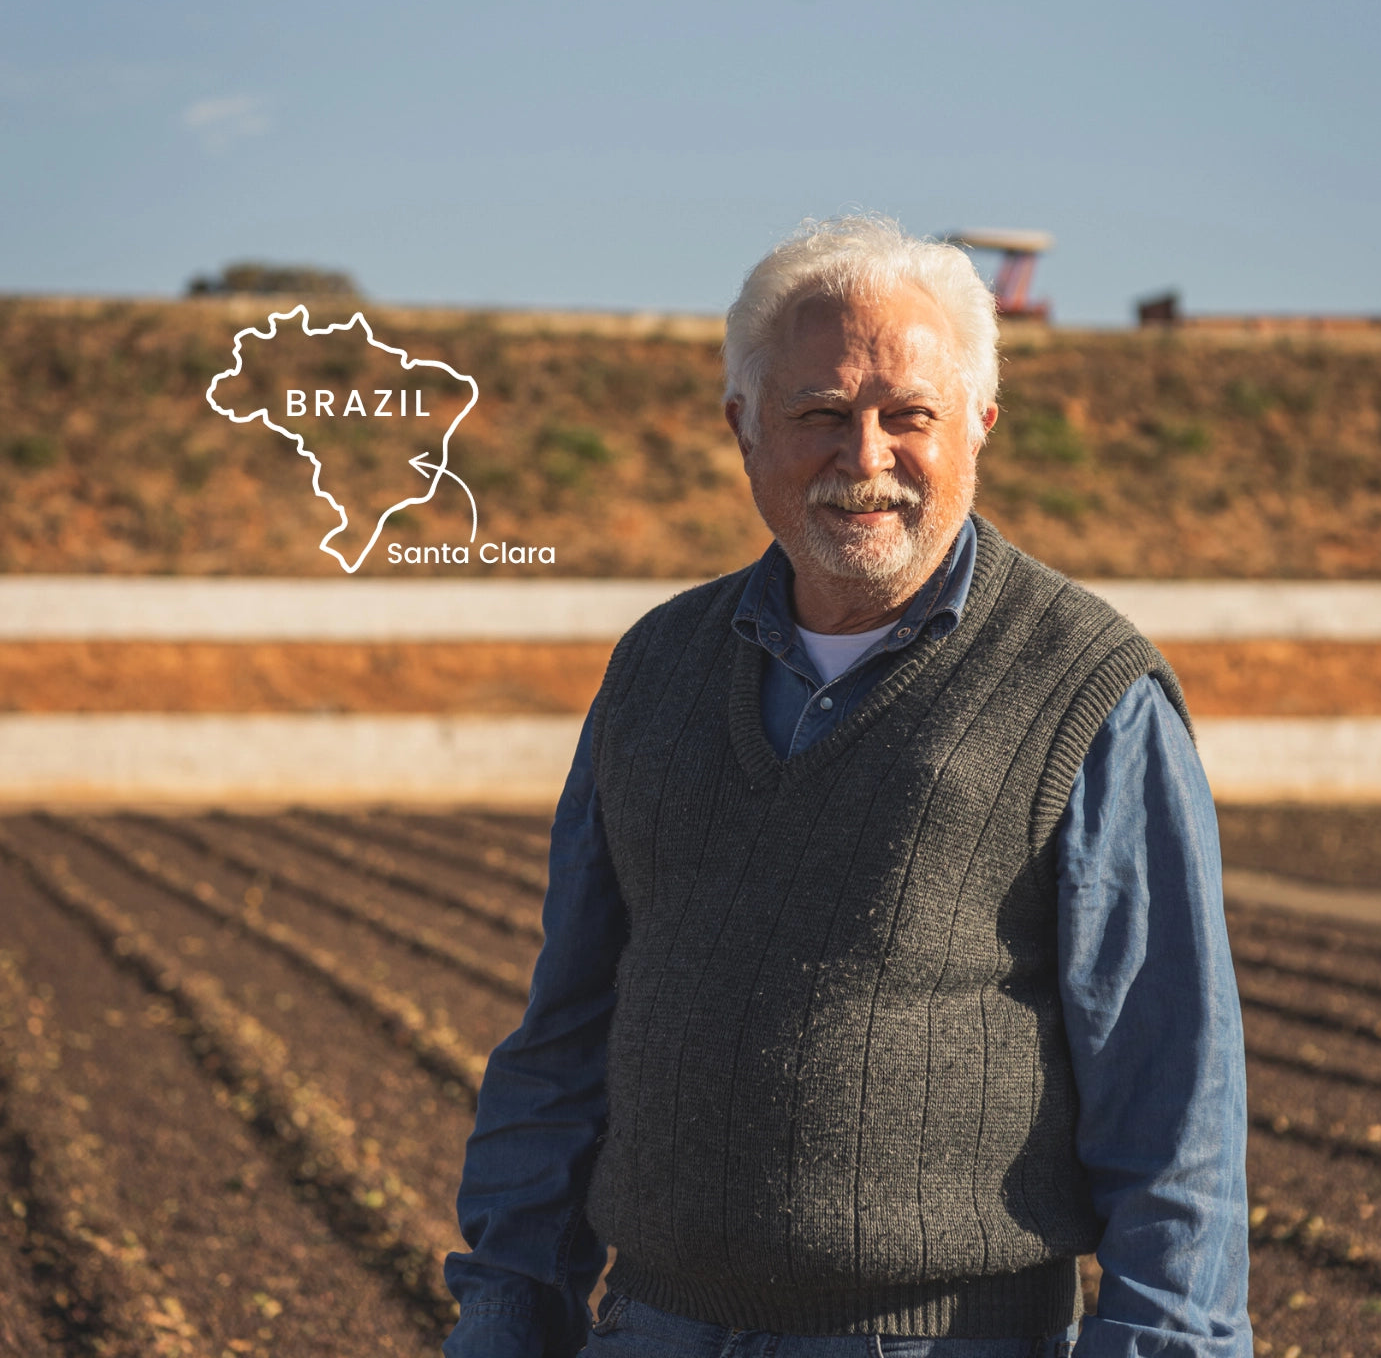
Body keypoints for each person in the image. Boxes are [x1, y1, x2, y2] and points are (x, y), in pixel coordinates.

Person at [442, 215, 1252, 1358]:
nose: (862, 455)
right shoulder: (654, 669)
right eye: (818, 413)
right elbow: (566, 1032)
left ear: (977, 421)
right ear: (742, 427)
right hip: (654, 1326)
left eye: (906, 415)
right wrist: (509, 1301)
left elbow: (1171, 1094)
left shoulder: (1086, 686)